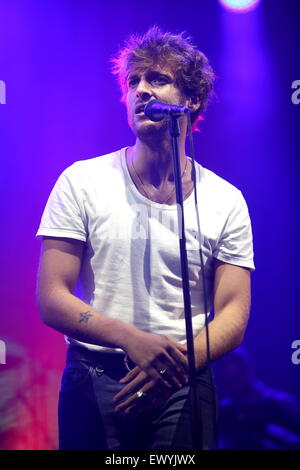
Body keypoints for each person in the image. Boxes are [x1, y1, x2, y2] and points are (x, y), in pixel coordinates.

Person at [36, 26, 255, 450]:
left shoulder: (226, 200)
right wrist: (131, 339)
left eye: (156, 79)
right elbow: (51, 296)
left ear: (192, 100)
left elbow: (233, 313)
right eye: (132, 81)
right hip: (96, 373)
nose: (140, 90)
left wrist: (175, 363)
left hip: (184, 378)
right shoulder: (82, 181)